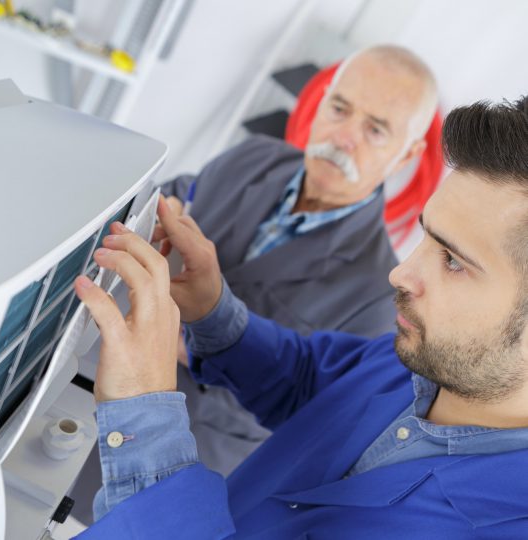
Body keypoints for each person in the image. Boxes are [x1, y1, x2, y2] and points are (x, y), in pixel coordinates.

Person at [75, 96, 528, 539]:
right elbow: (307, 379)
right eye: (427, 239)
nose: (400, 274)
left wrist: (145, 412)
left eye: (452, 260)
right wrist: (213, 310)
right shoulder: (424, 358)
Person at [157, 44, 438, 474]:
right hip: (85, 384)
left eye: (376, 130)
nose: (343, 136)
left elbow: (305, 417)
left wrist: (177, 340)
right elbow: (181, 190)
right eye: (339, 108)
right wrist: (166, 206)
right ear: (321, 100)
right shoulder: (251, 157)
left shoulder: (378, 298)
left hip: (179, 463)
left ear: (408, 154)